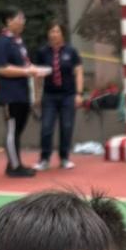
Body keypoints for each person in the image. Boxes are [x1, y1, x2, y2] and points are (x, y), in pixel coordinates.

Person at [0, 8, 47, 179]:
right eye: (19, 18)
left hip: (23, 93)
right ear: (9, 21)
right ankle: (15, 167)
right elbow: (2, 68)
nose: (23, 22)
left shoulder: (18, 42)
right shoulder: (3, 42)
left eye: (23, 18)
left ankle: (14, 162)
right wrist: (27, 71)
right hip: (10, 95)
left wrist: (35, 70)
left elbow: (25, 64)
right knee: (12, 131)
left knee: (18, 130)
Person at [35, 22, 83, 171]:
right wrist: (37, 95)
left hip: (68, 95)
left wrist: (79, 94)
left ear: (62, 34)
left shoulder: (71, 51)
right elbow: (37, 76)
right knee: (46, 127)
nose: (54, 34)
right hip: (49, 95)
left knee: (66, 126)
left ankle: (64, 158)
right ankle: (44, 159)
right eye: (51, 31)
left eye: (57, 31)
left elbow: (79, 72)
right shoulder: (42, 52)